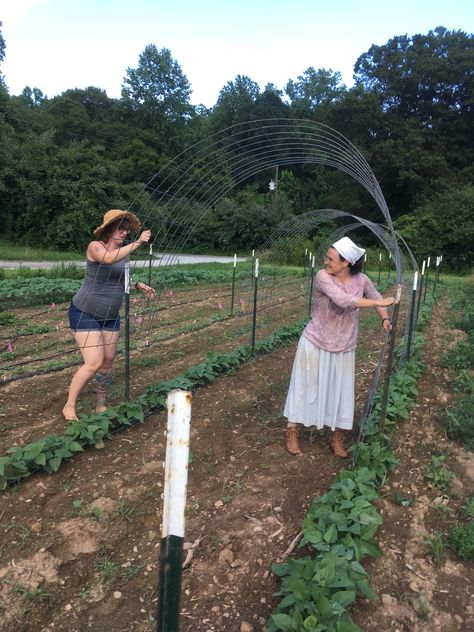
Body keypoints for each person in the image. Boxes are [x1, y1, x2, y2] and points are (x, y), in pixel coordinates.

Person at [284, 236, 395, 457]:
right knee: (304, 386)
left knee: (340, 392)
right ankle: (292, 431)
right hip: (315, 340)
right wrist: (377, 304)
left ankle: (337, 438)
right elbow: (342, 300)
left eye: (331, 258)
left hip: (344, 344)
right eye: (327, 257)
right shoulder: (323, 277)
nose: (326, 261)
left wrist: (384, 317)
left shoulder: (362, 280)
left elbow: (375, 296)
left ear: (346, 263)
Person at [62, 209, 155, 421]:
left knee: (107, 361)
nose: (124, 234)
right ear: (108, 230)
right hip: (85, 313)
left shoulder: (124, 255)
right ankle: (69, 406)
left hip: (110, 316)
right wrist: (139, 241)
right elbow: (108, 259)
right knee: (93, 362)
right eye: (120, 229)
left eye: (126, 230)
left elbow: (117, 281)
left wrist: (138, 285)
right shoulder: (95, 247)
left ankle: (101, 404)